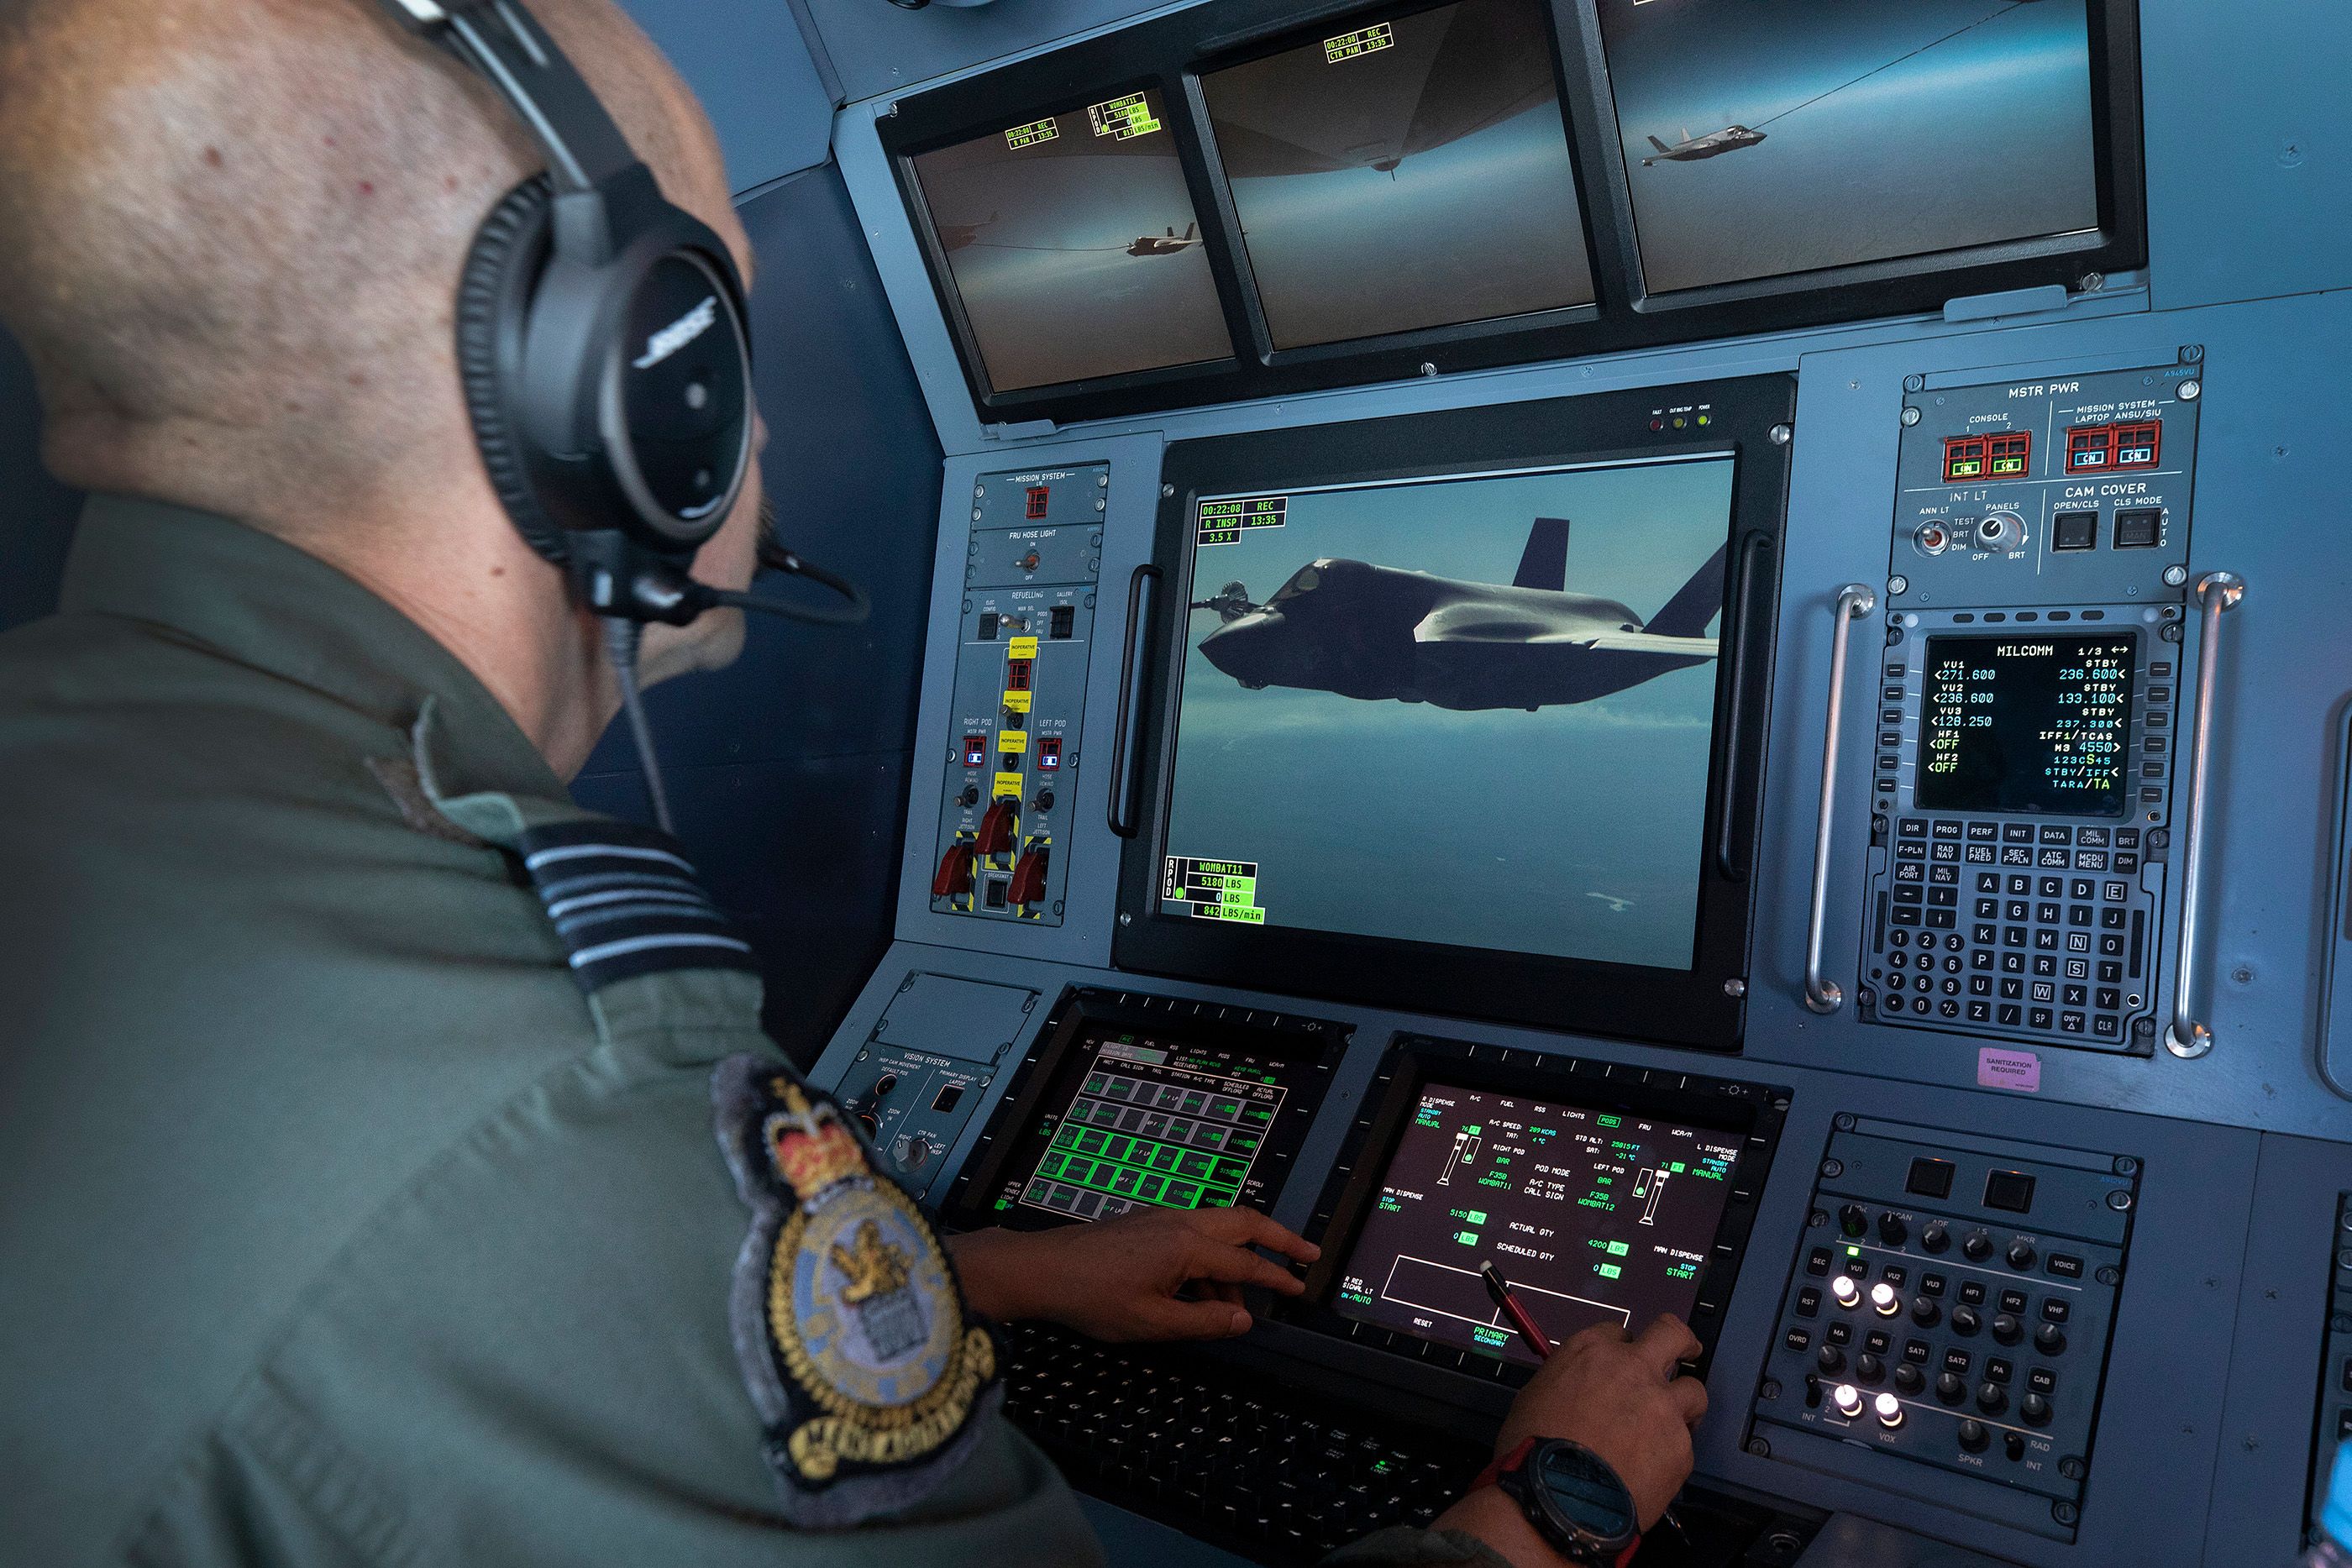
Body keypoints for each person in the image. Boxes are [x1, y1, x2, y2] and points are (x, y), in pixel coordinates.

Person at [0, 1, 1706, 1563]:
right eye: (722, 326)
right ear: (629, 402)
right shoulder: (543, 1090)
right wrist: (1541, 1515)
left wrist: (974, 1281)